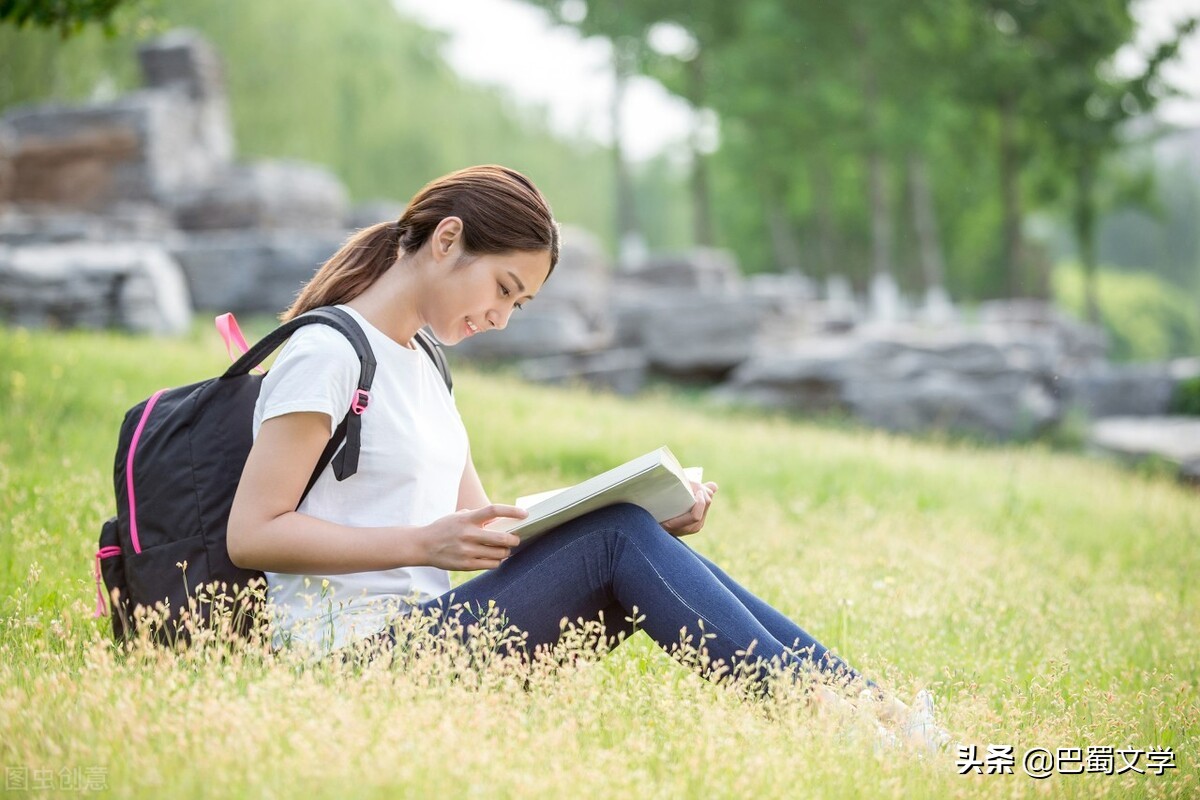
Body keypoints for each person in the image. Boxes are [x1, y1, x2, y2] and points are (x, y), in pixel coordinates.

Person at [226, 164, 948, 750]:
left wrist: (639, 518)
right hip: (351, 663)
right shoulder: (326, 352)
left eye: (521, 304)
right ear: (447, 240)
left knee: (622, 530)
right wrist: (421, 544)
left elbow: (483, 525)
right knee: (613, 540)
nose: (502, 317)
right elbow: (253, 534)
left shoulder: (423, 363)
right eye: (503, 289)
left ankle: (879, 716)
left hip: (436, 630)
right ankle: (838, 727)